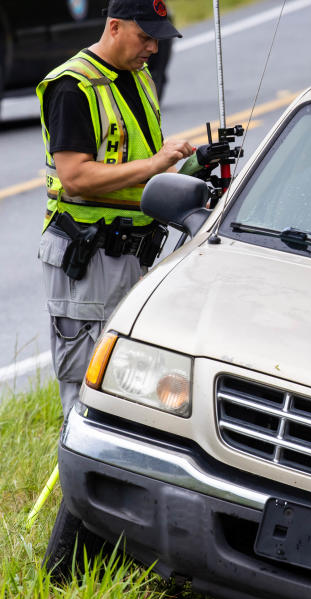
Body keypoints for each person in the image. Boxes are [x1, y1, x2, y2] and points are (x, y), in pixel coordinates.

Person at [36, 0, 194, 417]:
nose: (153, 50)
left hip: (133, 253)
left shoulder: (139, 77)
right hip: (88, 260)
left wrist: (186, 166)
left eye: (158, 39)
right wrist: (156, 164)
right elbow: (76, 177)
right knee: (87, 395)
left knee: (132, 389)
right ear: (114, 27)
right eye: (145, 37)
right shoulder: (73, 87)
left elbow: (136, 159)